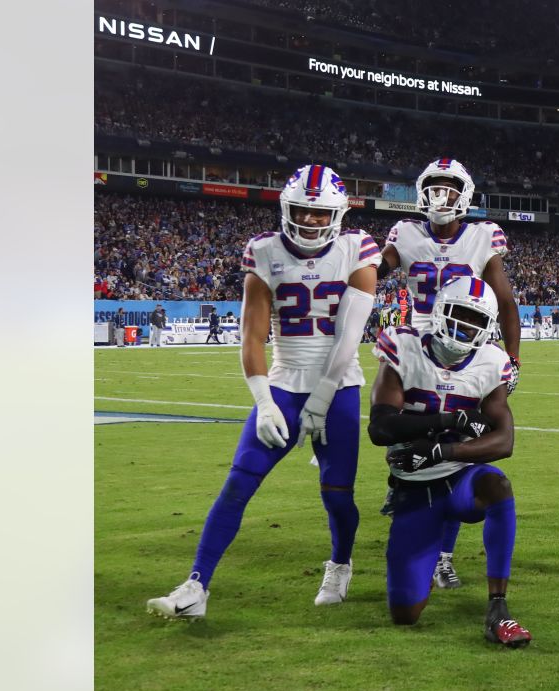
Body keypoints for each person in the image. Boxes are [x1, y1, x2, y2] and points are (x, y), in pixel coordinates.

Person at [146, 164, 379, 620]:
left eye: (319, 213)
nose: (311, 220)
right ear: (287, 209)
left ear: (337, 214)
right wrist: (264, 400)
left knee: (336, 493)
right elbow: (251, 337)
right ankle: (197, 586)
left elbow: (350, 337)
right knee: (237, 483)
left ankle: (340, 563)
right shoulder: (264, 251)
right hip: (285, 382)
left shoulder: (357, 248)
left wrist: (323, 398)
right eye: (303, 211)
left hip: (339, 385)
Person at [379, 158, 522, 590]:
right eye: (435, 186)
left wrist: (512, 358)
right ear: (421, 191)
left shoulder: (481, 236)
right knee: (403, 427)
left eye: (451, 187)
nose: (442, 196)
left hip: (470, 351)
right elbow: (371, 275)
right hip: (418, 348)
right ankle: (404, 485)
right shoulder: (404, 233)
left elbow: (506, 301)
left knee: (463, 447)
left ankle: (442, 555)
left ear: (467, 194)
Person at [367, 277, 531, 648]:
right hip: (414, 489)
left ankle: (498, 607)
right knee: (405, 614)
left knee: (498, 485)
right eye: (459, 315)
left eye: (476, 320)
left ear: (487, 328)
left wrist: (442, 451)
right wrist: (448, 422)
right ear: (441, 311)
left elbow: (504, 441)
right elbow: (380, 428)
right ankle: (425, 554)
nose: (466, 327)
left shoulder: (491, 361)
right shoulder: (403, 345)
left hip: (460, 480)